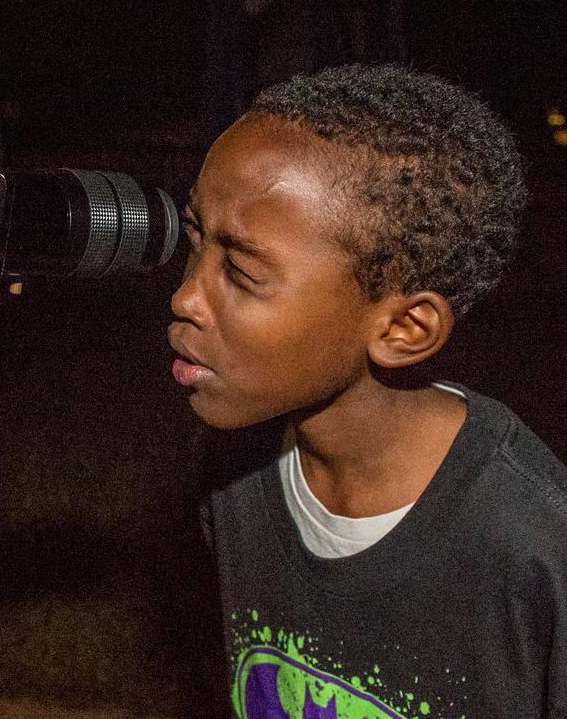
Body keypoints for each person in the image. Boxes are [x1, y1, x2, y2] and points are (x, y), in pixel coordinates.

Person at [168, 63, 564, 719]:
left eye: (240, 269)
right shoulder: (233, 470)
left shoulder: (533, 546)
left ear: (405, 326)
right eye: (195, 238)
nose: (185, 297)